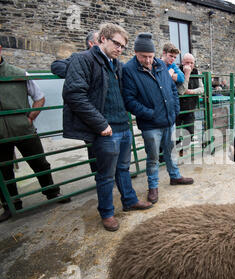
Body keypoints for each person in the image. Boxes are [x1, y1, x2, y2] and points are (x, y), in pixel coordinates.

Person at [62, 23, 152, 232]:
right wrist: (100, 124)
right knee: (105, 175)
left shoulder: (117, 65)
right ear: (103, 38)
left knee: (123, 168)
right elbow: (74, 94)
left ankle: (129, 200)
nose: (120, 49)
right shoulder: (83, 60)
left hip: (123, 126)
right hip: (105, 129)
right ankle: (107, 213)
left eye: (123, 47)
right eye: (117, 44)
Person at [0, 45, 70, 223]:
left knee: (39, 162)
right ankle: (11, 204)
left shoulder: (19, 73)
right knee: (3, 170)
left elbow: (39, 97)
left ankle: (52, 192)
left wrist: (29, 118)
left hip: (23, 129)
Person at [122, 33, 194, 206]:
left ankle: (175, 176)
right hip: (150, 124)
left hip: (169, 120)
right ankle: (153, 186)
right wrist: (150, 113)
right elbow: (129, 100)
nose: (148, 60)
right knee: (153, 156)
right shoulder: (129, 70)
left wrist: (175, 110)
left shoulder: (161, 64)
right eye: (143, 57)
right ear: (135, 53)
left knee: (171, 151)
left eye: (150, 56)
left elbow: (172, 89)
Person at [51, 31, 100, 173]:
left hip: (105, 110)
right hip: (88, 111)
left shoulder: (106, 59)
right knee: (94, 147)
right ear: (91, 43)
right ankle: (99, 176)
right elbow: (56, 66)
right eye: (99, 40)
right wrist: (81, 71)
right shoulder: (79, 58)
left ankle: (116, 173)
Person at [176, 53, 204, 144]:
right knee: (176, 135)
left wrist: (191, 92)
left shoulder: (197, 72)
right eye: (187, 62)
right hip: (178, 108)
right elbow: (180, 90)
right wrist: (187, 74)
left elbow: (202, 89)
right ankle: (177, 150)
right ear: (182, 63)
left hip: (190, 107)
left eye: (192, 63)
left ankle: (186, 152)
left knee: (190, 132)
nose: (190, 65)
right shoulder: (177, 72)